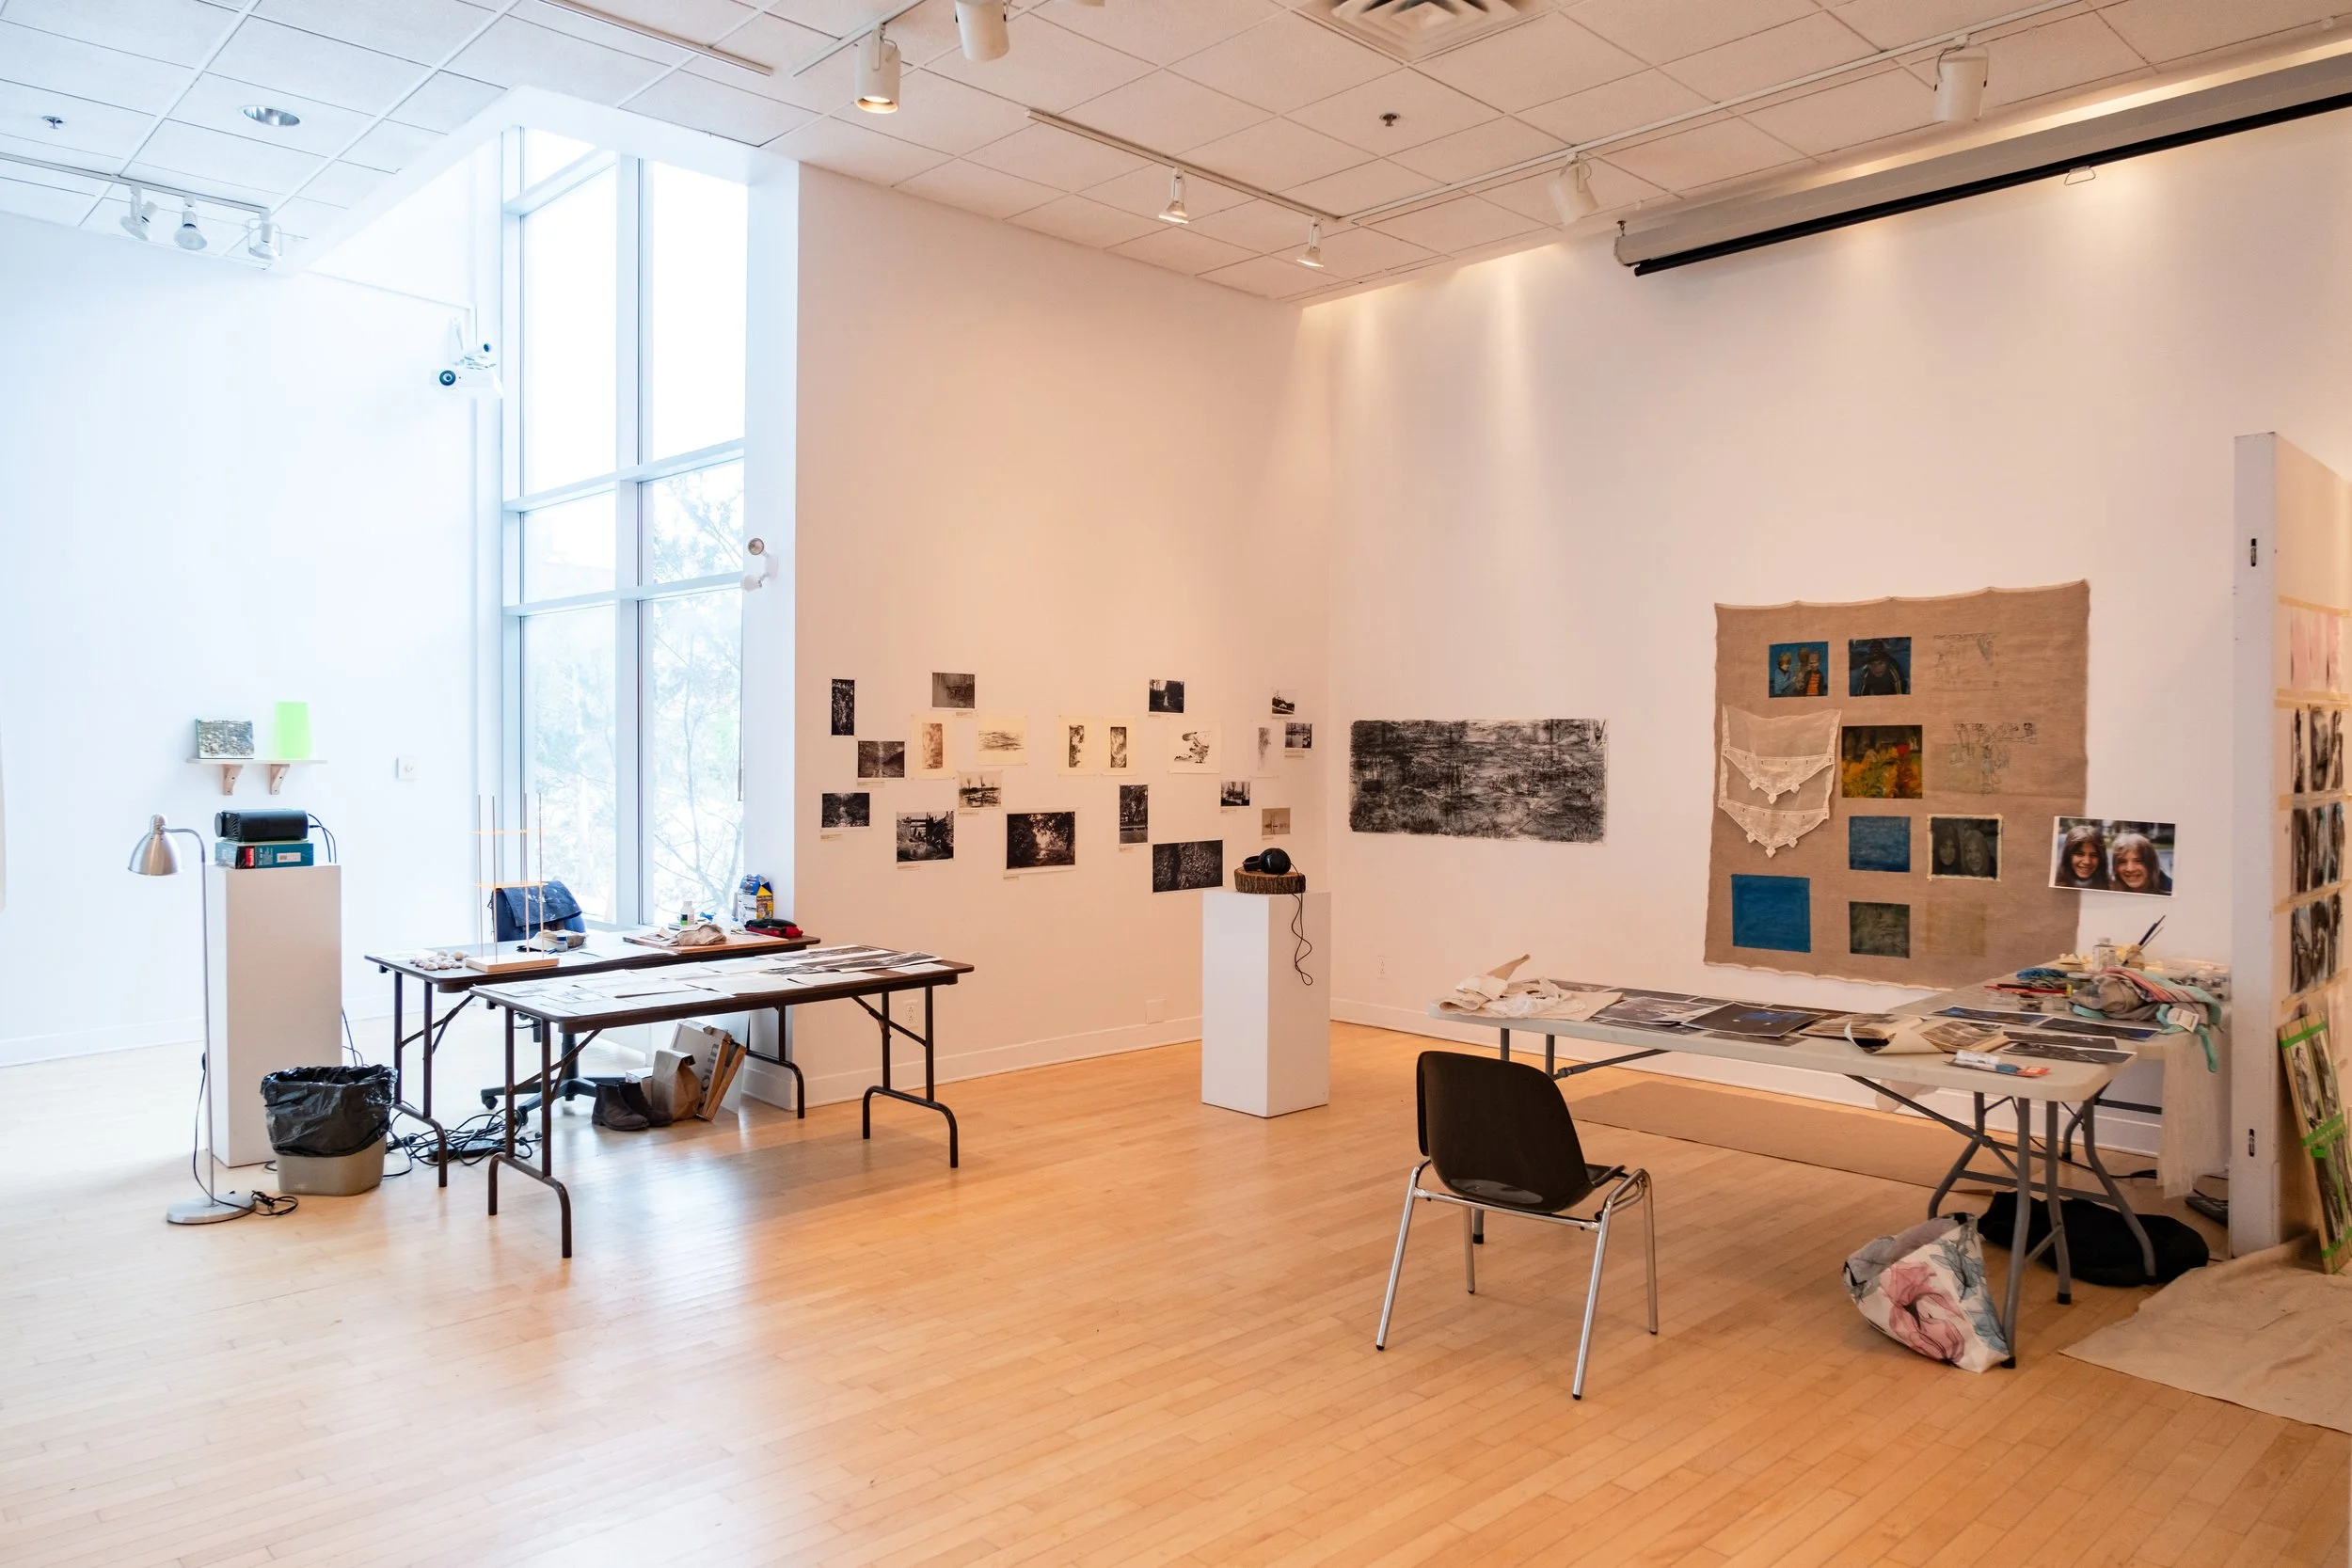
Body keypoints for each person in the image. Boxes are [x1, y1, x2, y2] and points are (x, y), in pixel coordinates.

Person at [2108, 832, 2172, 895]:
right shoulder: (2109, 889)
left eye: (2138, 861)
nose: (2130, 869)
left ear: (2152, 864)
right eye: (2122, 862)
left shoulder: (2171, 891)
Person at [2054, 823, 2109, 889]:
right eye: (2079, 854)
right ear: (2068, 856)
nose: (2087, 862)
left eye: (2094, 855)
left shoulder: (2111, 885)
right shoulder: (2053, 880)